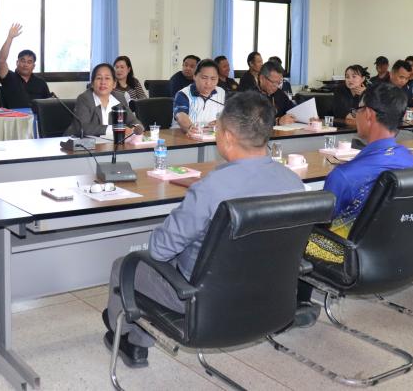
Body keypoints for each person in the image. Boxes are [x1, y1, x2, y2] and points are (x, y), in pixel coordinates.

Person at [102, 91, 304, 367]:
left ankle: (129, 339)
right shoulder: (293, 182)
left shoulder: (212, 188)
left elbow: (160, 250)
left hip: (204, 300)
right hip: (270, 297)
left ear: (228, 136)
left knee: (125, 266)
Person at [298, 83, 413, 323]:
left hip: (347, 255)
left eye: (357, 110)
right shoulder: (407, 158)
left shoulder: (345, 175)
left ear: (369, 114)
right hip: (393, 249)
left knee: (295, 231)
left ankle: (299, 303)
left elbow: (323, 219)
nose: (355, 115)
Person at [64, 63, 143, 138]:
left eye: (107, 78)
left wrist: (136, 128)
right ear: (92, 83)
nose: (103, 82)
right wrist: (115, 129)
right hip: (76, 143)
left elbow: (133, 120)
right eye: (99, 78)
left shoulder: (119, 98)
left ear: (114, 84)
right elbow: (82, 127)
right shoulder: (85, 99)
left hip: (108, 143)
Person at [0, 23, 51, 109]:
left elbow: (48, 104)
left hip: (37, 116)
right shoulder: (9, 77)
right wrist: (10, 37)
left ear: (33, 66)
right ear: (17, 62)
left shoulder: (40, 83)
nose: (25, 64)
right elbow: (1, 60)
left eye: (29, 62)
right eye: (23, 61)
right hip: (14, 116)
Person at [173, 59, 226, 135]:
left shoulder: (221, 92)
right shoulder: (183, 94)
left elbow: (228, 115)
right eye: (204, 78)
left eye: (213, 79)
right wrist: (190, 127)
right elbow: (180, 115)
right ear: (194, 76)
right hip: (184, 137)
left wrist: (221, 122)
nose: (208, 83)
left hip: (211, 136)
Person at [256, 60, 296, 125]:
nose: (276, 86)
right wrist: (277, 121)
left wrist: (307, 117)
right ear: (262, 78)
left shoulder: (280, 94)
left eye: (279, 83)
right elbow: (251, 122)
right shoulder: (250, 96)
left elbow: (292, 110)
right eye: (273, 82)